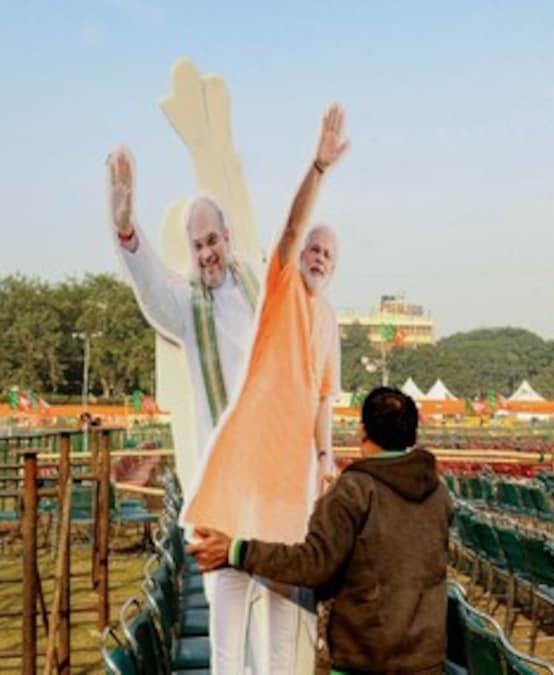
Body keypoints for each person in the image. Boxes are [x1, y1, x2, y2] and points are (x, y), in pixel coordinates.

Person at [180, 103, 349, 674]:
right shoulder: (281, 291)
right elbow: (294, 225)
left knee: (280, 647)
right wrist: (319, 169)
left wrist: (326, 458)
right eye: (313, 249)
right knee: (228, 648)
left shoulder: (328, 323)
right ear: (298, 258)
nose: (319, 257)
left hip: (287, 497)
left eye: (329, 253)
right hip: (240, 485)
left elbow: (324, 399)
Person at [106, 147, 262, 673]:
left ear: (228, 238)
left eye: (212, 240)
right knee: (227, 635)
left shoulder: (261, 292)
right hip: (223, 495)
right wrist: (127, 229)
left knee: (274, 636)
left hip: (274, 489)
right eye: (196, 246)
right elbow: (151, 285)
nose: (206, 254)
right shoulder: (189, 308)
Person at [188, 387, 453, 675]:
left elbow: (314, 565)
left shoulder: (354, 491)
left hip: (366, 661)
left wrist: (236, 550)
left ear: (362, 431)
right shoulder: (438, 493)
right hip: (424, 659)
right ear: (412, 434)